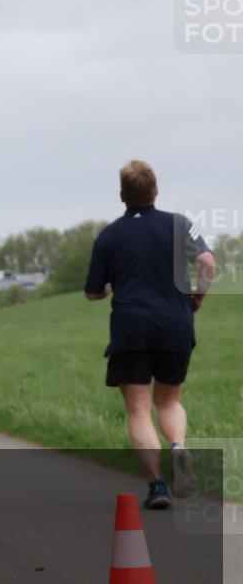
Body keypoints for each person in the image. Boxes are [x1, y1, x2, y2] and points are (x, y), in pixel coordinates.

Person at [85, 160, 215, 510]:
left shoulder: (109, 235)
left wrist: (115, 283)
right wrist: (198, 295)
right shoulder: (180, 224)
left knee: (139, 409)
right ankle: (178, 448)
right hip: (176, 323)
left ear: (122, 195)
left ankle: (157, 485)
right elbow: (207, 263)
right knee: (169, 401)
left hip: (131, 328)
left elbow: (93, 293)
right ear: (156, 191)